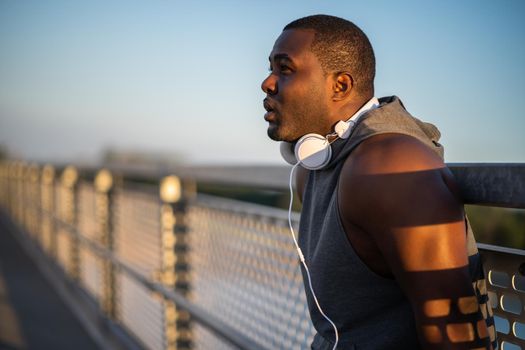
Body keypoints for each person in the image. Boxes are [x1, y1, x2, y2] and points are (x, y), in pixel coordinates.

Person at [261, 15, 495, 349]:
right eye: (270, 68)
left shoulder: (391, 170)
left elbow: (457, 339)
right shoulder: (315, 166)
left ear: (340, 86)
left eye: (285, 68)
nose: (267, 83)